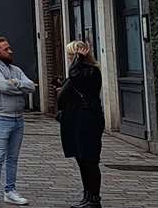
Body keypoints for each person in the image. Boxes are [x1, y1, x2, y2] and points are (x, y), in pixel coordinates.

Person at [0, 36, 35, 207]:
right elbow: (4, 87)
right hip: (0, 118)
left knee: (13, 158)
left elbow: (32, 87)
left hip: (18, 118)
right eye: (6, 49)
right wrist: (19, 89)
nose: (10, 51)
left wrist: (16, 83)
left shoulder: (16, 70)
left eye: (9, 48)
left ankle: (10, 191)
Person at [57, 40, 104, 208]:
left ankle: (94, 199)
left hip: (88, 121)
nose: (69, 58)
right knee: (82, 159)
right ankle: (87, 195)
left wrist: (78, 58)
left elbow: (74, 75)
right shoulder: (82, 72)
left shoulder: (90, 71)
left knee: (89, 159)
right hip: (77, 120)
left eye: (71, 55)